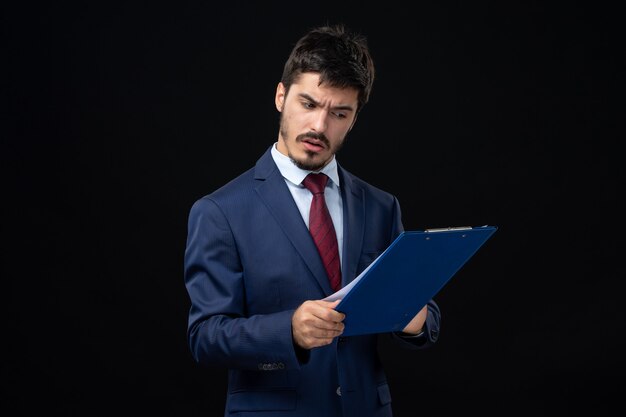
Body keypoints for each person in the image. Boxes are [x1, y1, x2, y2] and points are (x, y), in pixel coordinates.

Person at [183, 24, 441, 417]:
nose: (320, 127)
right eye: (308, 104)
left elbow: (424, 319)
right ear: (280, 96)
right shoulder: (219, 212)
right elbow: (205, 337)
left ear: (353, 119)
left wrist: (414, 317)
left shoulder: (381, 206)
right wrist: (288, 330)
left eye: (339, 113)